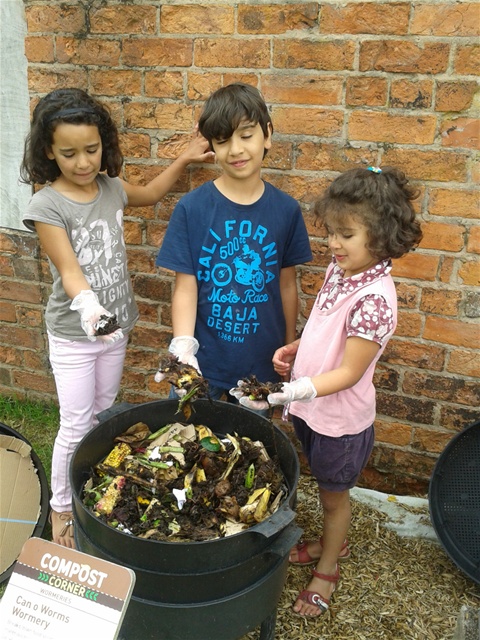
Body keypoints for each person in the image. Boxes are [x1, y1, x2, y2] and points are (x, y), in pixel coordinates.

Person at [20, 87, 213, 548]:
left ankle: (93, 486)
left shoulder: (110, 188)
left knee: (102, 411)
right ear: (49, 151)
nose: (83, 162)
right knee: (74, 421)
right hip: (73, 332)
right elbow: (69, 270)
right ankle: (62, 508)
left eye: (92, 150)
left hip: (115, 330)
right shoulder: (47, 205)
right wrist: (88, 307)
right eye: (69, 153)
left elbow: (149, 192)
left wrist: (184, 159)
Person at [232, 166, 423, 617]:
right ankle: (329, 543)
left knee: (335, 499)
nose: (333, 244)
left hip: (339, 421)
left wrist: (290, 391)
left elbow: (351, 371)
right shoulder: (342, 272)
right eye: (331, 232)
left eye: (346, 234)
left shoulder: (374, 299)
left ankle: (328, 569)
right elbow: (327, 328)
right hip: (313, 411)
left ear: (380, 236)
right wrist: (300, 347)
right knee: (323, 488)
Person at [155, 83, 312, 401]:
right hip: (202, 364)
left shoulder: (286, 210)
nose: (236, 149)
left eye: (246, 135)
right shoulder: (192, 208)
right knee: (184, 441)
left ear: (267, 134)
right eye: (223, 140)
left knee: (251, 446)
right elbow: (185, 286)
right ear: (212, 145)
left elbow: (286, 285)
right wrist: (183, 346)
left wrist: (287, 345)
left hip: (260, 366)